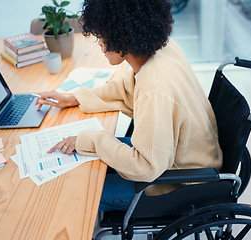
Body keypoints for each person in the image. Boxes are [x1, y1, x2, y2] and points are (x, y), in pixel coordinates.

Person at [35, 0, 222, 212]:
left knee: (77, 189)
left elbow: (144, 167)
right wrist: (74, 98)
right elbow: (126, 88)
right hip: (180, 157)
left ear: (121, 37)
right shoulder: (164, 49)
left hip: (177, 183)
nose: (99, 44)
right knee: (86, 165)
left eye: (101, 36)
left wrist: (91, 139)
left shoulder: (154, 88)